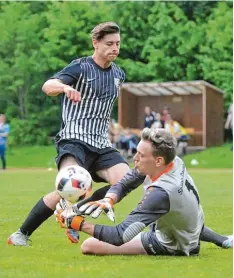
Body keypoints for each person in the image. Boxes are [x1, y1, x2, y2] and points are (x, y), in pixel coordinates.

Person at [8, 21, 130, 246]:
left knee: (125, 181)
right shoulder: (80, 67)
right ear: (95, 43)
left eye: (118, 44)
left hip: (101, 143)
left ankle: (73, 213)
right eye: (109, 43)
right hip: (74, 140)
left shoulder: (118, 74)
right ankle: (21, 234)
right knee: (70, 185)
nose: (115, 48)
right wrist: (64, 88)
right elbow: (48, 85)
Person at [56, 128, 233, 256]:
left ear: (158, 161)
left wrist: (78, 223)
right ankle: (224, 240)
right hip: (191, 224)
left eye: (141, 155)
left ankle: (192, 243)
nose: (135, 158)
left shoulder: (160, 193)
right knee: (177, 217)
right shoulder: (173, 161)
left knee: (88, 246)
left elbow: (121, 235)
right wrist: (108, 199)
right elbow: (126, 182)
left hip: (174, 245)